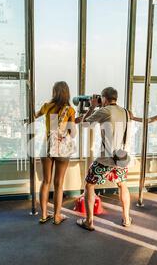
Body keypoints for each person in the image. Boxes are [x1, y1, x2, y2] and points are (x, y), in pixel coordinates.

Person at [76, 87, 131, 231]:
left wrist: (93, 106)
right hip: (121, 158)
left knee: (89, 185)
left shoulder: (104, 111)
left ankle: (89, 222)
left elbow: (84, 124)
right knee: (123, 185)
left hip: (105, 159)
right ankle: (126, 219)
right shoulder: (125, 111)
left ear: (105, 98)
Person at [35, 81, 76, 225]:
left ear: (54, 92)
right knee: (59, 184)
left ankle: (44, 215)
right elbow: (72, 132)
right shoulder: (70, 110)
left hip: (47, 146)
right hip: (62, 148)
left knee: (46, 182)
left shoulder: (47, 106)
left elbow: (34, 116)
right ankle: (57, 216)